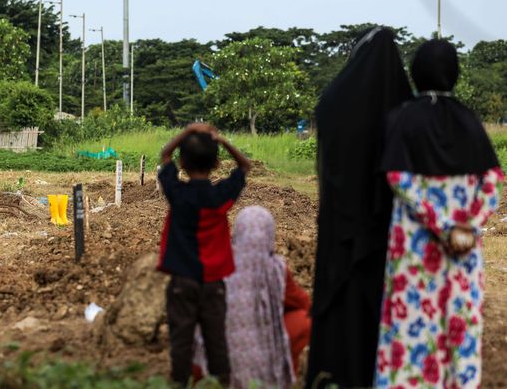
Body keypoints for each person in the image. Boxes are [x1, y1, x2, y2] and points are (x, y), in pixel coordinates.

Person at [374, 40, 503, 388]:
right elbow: (493, 183)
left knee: (412, 333)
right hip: (463, 252)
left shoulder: (402, 118)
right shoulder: (470, 120)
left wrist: (440, 226)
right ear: (455, 74)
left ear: (415, 73)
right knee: (459, 331)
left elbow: (399, 178)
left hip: (416, 255)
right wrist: (468, 228)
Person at [306, 27, 413, 388]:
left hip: (341, 227)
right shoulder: (403, 106)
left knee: (342, 313)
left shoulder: (336, 101)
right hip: (387, 231)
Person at [157, 122, 250, 386]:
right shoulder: (221, 195)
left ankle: (179, 382)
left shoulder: (177, 193)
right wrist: (222, 140)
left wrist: (187, 132)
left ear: (182, 163)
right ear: (216, 164)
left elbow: (164, 155)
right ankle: (221, 382)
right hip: (213, 282)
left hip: (182, 279)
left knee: (181, 341)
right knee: (216, 341)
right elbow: (244, 167)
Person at [192, 206, 310, 388]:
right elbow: (303, 303)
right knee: (304, 320)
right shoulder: (274, 269)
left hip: (213, 358)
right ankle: (281, 380)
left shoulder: (217, 260)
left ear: (237, 231)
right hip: (262, 355)